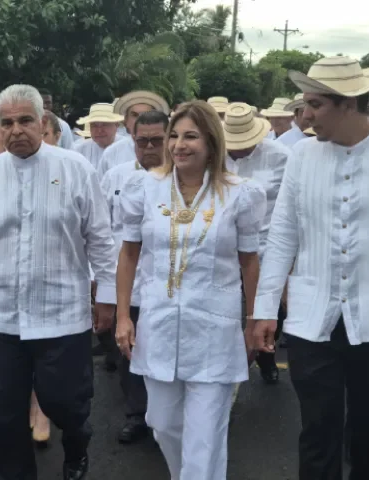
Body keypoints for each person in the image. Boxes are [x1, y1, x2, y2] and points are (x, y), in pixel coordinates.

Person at [253, 56, 369, 480]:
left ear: (348, 104)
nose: (303, 115)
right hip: (313, 314)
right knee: (317, 429)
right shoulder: (302, 156)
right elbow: (283, 234)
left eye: (314, 105)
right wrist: (265, 308)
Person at [0, 84, 117, 480]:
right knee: (6, 416)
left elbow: (101, 239)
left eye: (25, 120)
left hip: (62, 315)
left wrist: (106, 297)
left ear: (43, 122)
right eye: (6, 123)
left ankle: (76, 442)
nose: (15, 130)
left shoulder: (75, 170)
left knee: (67, 404)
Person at [115, 100, 265, 480]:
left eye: (191, 137)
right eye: (175, 136)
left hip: (214, 330)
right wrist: (122, 316)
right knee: (162, 423)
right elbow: (129, 253)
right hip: (158, 325)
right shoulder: (145, 188)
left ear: (212, 143)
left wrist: (255, 321)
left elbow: (249, 261)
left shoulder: (239, 194)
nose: (179, 145)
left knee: (205, 438)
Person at [100, 110, 169, 444]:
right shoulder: (116, 177)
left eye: (157, 140)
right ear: (133, 141)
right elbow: (102, 231)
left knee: (165, 356)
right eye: (142, 141)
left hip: (168, 287)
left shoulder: (184, 180)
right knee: (129, 355)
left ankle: (165, 419)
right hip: (127, 282)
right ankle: (136, 416)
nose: (150, 148)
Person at [224, 103, 292, 385]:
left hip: (266, 245)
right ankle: (227, 360)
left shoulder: (281, 157)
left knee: (270, 307)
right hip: (224, 245)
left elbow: (291, 204)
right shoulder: (213, 157)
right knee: (227, 304)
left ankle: (266, 354)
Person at [97, 91, 170, 177]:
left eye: (146, 115)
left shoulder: (172, 150)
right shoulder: (111, 153)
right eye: (134, 115)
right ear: (126, 121)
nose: (140, 120)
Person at [71, 103, 123, 171]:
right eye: (94, 125)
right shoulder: (79, 150)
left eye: (105, 124)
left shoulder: (129, 148)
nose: (99, 130)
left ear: (116, 125)